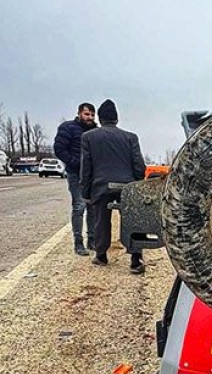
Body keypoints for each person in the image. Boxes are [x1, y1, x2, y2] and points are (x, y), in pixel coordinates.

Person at [80, 99, 147, 270]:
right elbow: (139, 165)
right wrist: (137, 185)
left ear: (100, 119)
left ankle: (101, 255)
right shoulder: (130, 137)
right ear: (116, 119)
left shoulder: (89, 137)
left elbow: (86, 167)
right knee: (132, 219)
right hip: (127, 185)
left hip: (101, 185)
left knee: (101, 219)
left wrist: (86, 192)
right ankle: (135, 258)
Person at [53, 102, 97, 255]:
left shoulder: (95, 131)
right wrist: (74, 163)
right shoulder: (68, 128)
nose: (89, 117)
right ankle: (78, 242)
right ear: (79, 113)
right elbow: (59, 148)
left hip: (92, 176)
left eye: (92, 114)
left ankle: (92, 240)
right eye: (87, 114)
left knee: (92, 207)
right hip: (75, 173)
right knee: (79, 206)